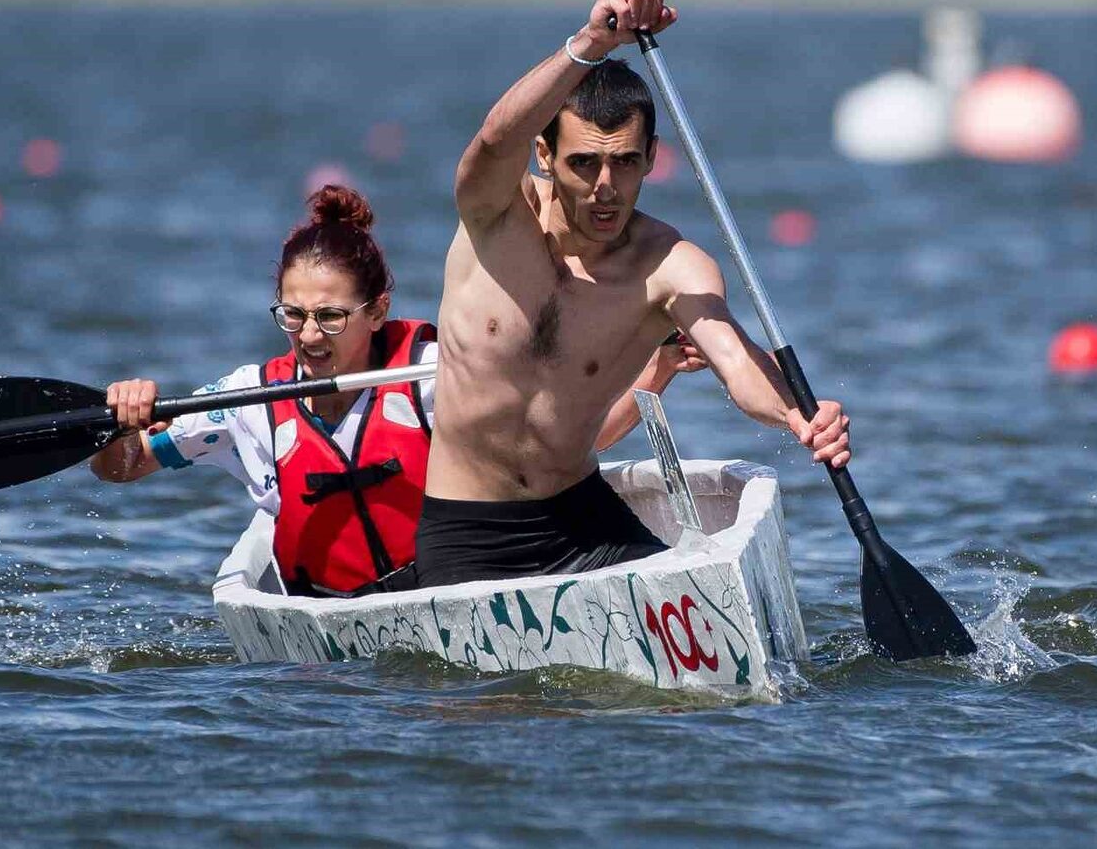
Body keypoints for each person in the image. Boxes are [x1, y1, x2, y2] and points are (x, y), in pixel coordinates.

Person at [415, 0, 852, 588]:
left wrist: (798, 417)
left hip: (583, 522)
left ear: (650, 157)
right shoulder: (495, 216)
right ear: (544, 156)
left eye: (624, 162)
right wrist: (592, 42)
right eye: (583, 163)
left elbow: (734, 357)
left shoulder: (668, 263)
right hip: (469, 533)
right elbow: (493, 140)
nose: (604, 188)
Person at [90, 184, 693, 598]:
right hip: (326, 636)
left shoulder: (435, 376)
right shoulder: (250, 400)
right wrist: (120, 422)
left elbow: (567, 445)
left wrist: (653, 375)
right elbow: (120, 469)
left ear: (378, 311)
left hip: (448, 596)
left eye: (331, 316)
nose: (310, 336)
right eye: (293, 316)